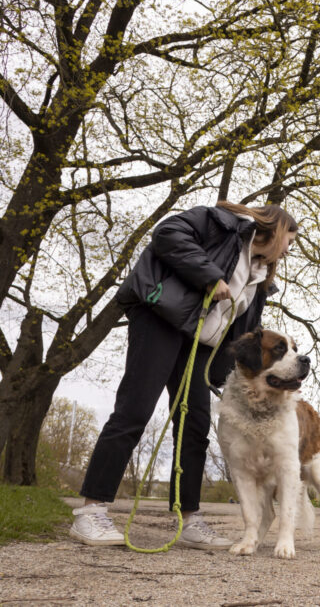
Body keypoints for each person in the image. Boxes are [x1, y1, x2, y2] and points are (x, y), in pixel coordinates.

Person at [70, 201, 298, 548]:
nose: (288, 250)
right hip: (161, 319)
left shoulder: (259, 278)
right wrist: (209, 276)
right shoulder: (219, 223)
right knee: (134, 411)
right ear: (276, 230)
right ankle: (91, 513)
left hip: (200, 345)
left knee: (194, 425)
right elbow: (167, 235)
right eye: (289, 241)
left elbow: (245, 334)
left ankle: (189, 518)